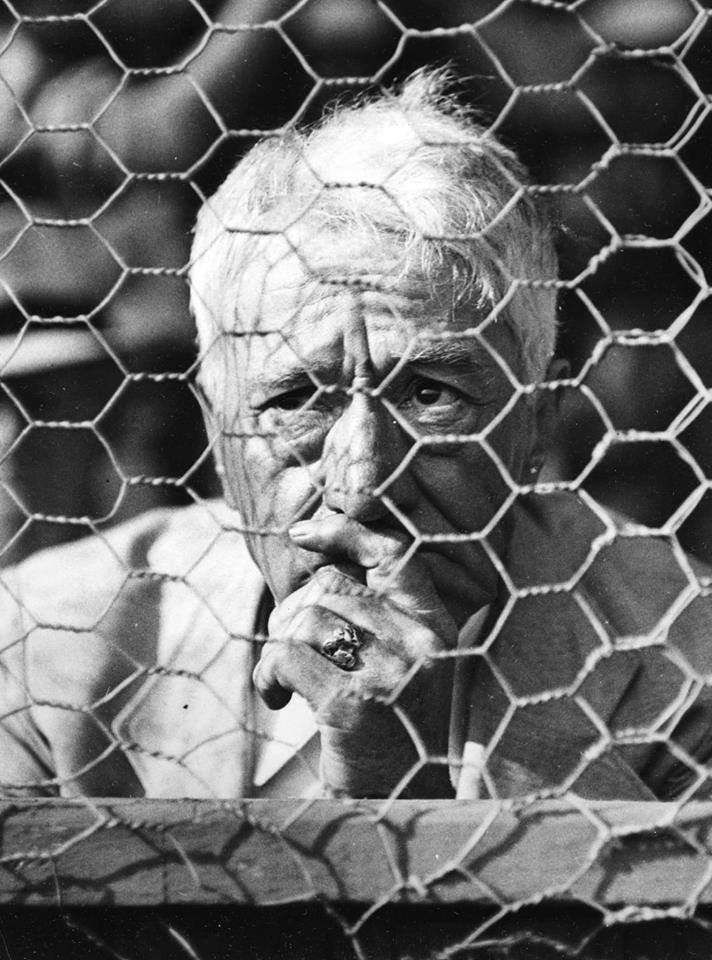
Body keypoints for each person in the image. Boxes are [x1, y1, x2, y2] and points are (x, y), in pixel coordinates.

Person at [1, 70, 710, 801]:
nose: (361, 479)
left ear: (538, 426)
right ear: (218, 437)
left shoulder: (686, 665)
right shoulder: (40, 644)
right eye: (297, 398)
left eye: (431, 394)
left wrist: (402, 785)